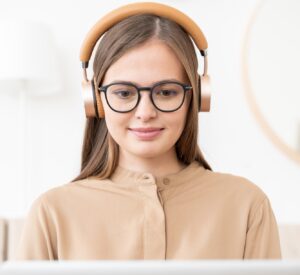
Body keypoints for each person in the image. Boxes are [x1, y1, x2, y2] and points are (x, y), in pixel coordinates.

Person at [16, 2, 281, 260]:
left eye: (166, 92)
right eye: (123, 92)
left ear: (197, 98)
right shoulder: (52, 214)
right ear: (95, 101)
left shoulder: (247, 206)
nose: (145, 112)